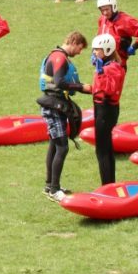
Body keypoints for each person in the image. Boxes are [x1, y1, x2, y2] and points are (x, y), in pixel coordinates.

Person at [36, 31, 90, 201]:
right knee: (62, 147)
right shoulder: (59, 58)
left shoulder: (57, 56)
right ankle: (54, 190)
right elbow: (59, 83)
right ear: (73, 42)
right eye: (80, 48)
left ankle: (49, 185)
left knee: (54, 144)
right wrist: (82, 87)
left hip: (55, 104)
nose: (79, 52)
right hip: (54, 106)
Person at [87, 33, 124, 186]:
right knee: (106, 148)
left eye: (98, 50)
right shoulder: (107, 66)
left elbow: (109, 89)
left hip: (106, 109)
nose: (94, 53)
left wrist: (101, 72)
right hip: (101, 107)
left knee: (102, 150)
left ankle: (107, 186)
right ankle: (110, 184)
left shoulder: (113, 68)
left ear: (107, 50)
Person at [96, 0, 138, 68]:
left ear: (113, 7)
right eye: (102, 10)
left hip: (117, 65)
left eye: (107, 9)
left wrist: (134, 47)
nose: (105, 13)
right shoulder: (102, 19)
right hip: (101, 63)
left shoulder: (125, 21)